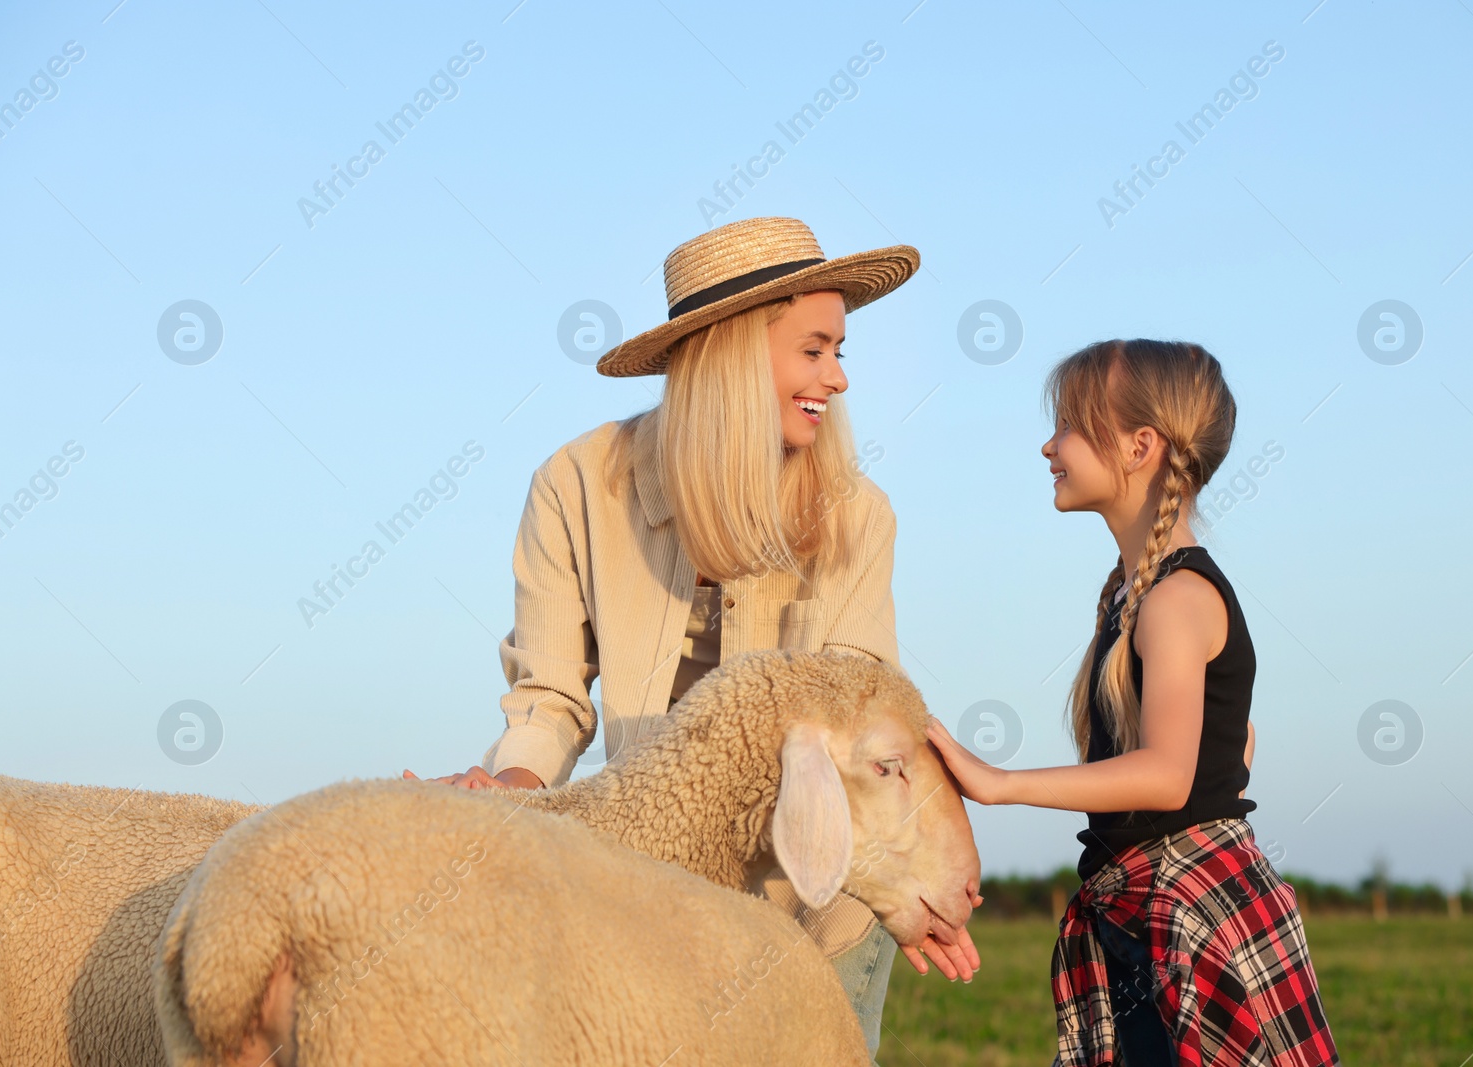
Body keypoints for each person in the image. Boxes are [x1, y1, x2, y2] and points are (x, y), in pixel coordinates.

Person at [404, 216, 979, 1059]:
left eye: (840, 352)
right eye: (814, 350)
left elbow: (860, 719)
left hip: (817, 904)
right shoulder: (576, 487)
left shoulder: (859, 515)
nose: (837, 378)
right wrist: (512, 798)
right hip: (648, 895)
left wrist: (902, 885)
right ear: (737, 353)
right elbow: (549, 697)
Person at [928, 340, 1337, 1065]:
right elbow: (1235, 741)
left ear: (1139, 445)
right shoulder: (1135, 593)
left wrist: (1000, 784)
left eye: (1070, 425)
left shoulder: (1175, 599)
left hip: (1184, 918)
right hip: (1153, 907)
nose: (1048, 443)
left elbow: (1169, 774)